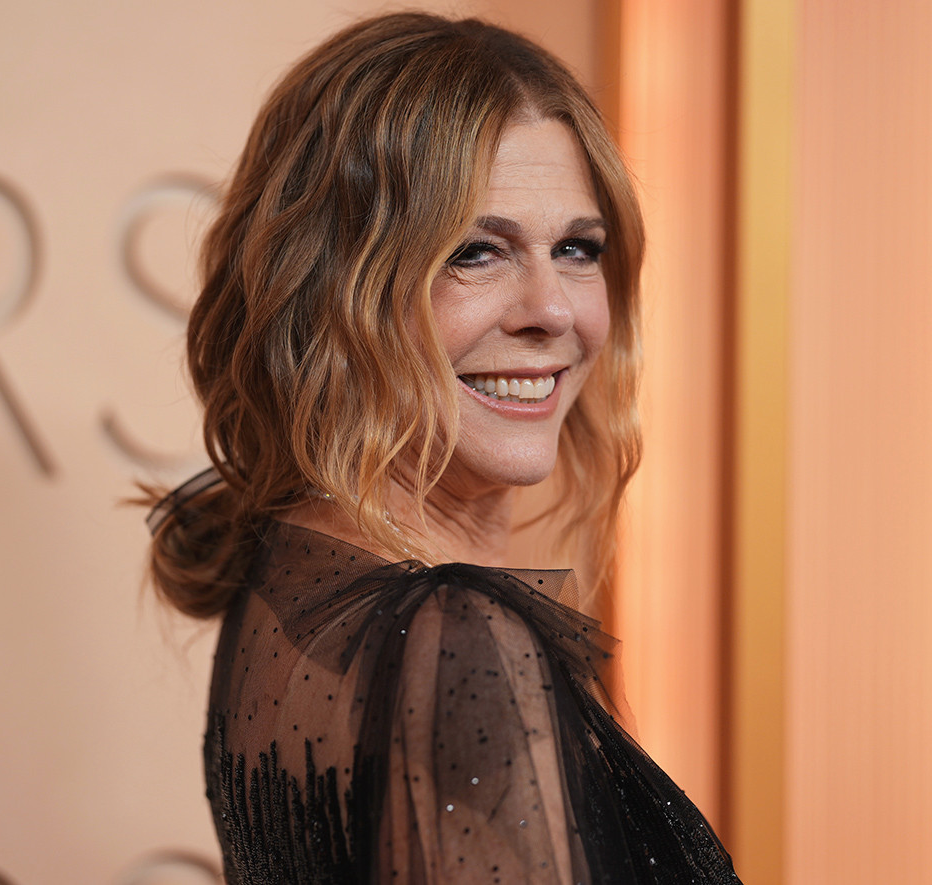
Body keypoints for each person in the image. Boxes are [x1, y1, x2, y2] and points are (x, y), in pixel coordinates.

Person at [145, 12, 742, 884]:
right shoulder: (457, 642)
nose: (552, 309)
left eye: (577, 248)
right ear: (330, 288)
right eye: (476, 252)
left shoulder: (294, 571)